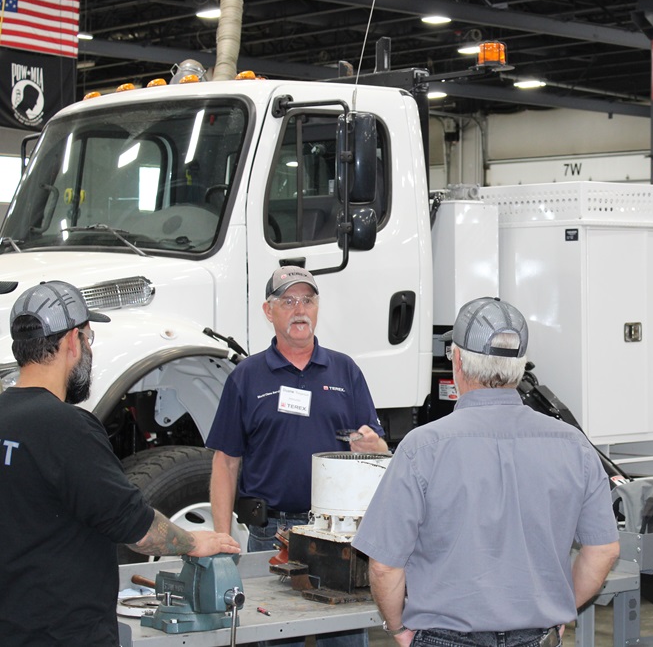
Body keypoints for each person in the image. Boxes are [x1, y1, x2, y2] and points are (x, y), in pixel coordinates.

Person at [352, 297, 621, 646]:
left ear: (458, 361)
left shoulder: (422, 448)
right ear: (520, 366)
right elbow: (604, 550)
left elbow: (385, 565)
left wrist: (397, 628)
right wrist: (559, 608)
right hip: (537, 637)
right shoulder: (574, 445)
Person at [0, 281, 240, 647]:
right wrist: (193, 541)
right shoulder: (68, 429)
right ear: (72, 341)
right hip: (63, 634)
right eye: (88, 338)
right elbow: (139, 530)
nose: (88, 349)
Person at [207, 266, 387, 647]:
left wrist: (377, 448)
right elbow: (225, 462)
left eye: (307, 300)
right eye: (287, 301)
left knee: (346, 640)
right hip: (272, 536)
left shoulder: (345, 370)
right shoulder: (246, 377)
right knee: (274, 636)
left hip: (337, 536)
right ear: (268, 311)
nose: (299, 309)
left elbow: (379, 454)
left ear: (318, 308)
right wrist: (222, 537)